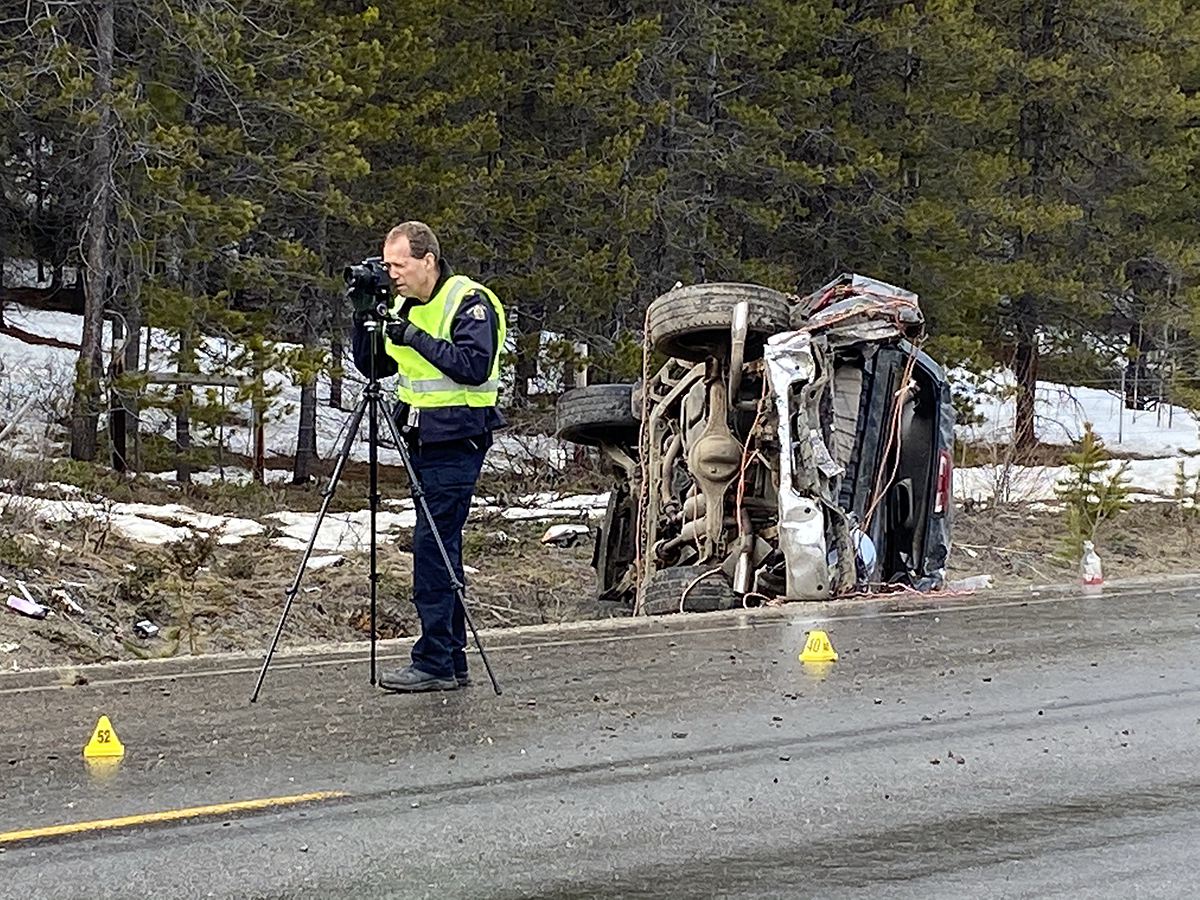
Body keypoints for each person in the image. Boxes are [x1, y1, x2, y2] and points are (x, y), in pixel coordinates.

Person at [351, 221, 506, 692]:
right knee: (440, 546)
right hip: (420, 436)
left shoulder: (468, 301)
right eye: (386, 264)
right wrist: (364, 316)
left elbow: (474, 367)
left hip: (458, 437)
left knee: (431, 547)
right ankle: (449, 658)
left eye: (398, 264)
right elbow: (374, 365)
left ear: (427, 262)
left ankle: (436, 659)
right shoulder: (400, 304)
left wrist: (410, 333)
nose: (391, 273)